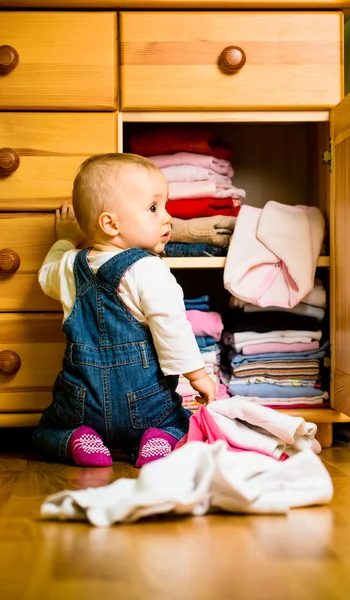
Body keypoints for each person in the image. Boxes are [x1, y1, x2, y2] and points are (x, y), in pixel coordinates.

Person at [33, 153, 216, 468]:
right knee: (184, 422)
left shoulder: (69, 266)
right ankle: (158, 439)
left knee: (43, 431)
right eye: (154, 208)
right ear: (110, 224)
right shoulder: (150, 269)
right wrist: (197, 375)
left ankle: (75, 439)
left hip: (81, 404)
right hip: (146, 406)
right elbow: (171, 328)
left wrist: (63, 240)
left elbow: (45, 274)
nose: (167, 217)